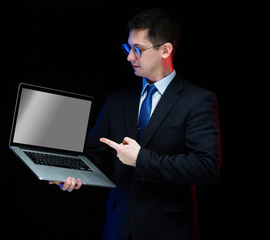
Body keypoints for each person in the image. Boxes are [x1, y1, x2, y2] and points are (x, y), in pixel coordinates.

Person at [49, 8, 221, 240]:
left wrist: (141, 159)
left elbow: (205, 167)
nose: (130, 57)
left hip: (170, 232)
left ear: (165, 50)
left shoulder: (197, 100)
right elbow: (94, 155)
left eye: (138, 50)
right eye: (128, 48)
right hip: (118, 229)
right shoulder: (117, 100)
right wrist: (68, 173)